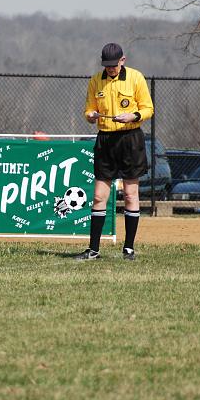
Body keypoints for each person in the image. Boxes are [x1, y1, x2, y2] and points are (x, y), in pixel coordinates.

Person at [75, 43, 154, 261]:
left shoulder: (136, 78)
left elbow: (148, 108)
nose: (110, 69)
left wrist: (133, 116)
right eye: (107, 66)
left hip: (130, 139)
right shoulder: (95, 80)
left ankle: (128, 249)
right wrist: (90, 115)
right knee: (99, 196)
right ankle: (93, 250)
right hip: (106, 140)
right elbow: (88, 109)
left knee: (130, 194)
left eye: (114, 65)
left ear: (123, 60)